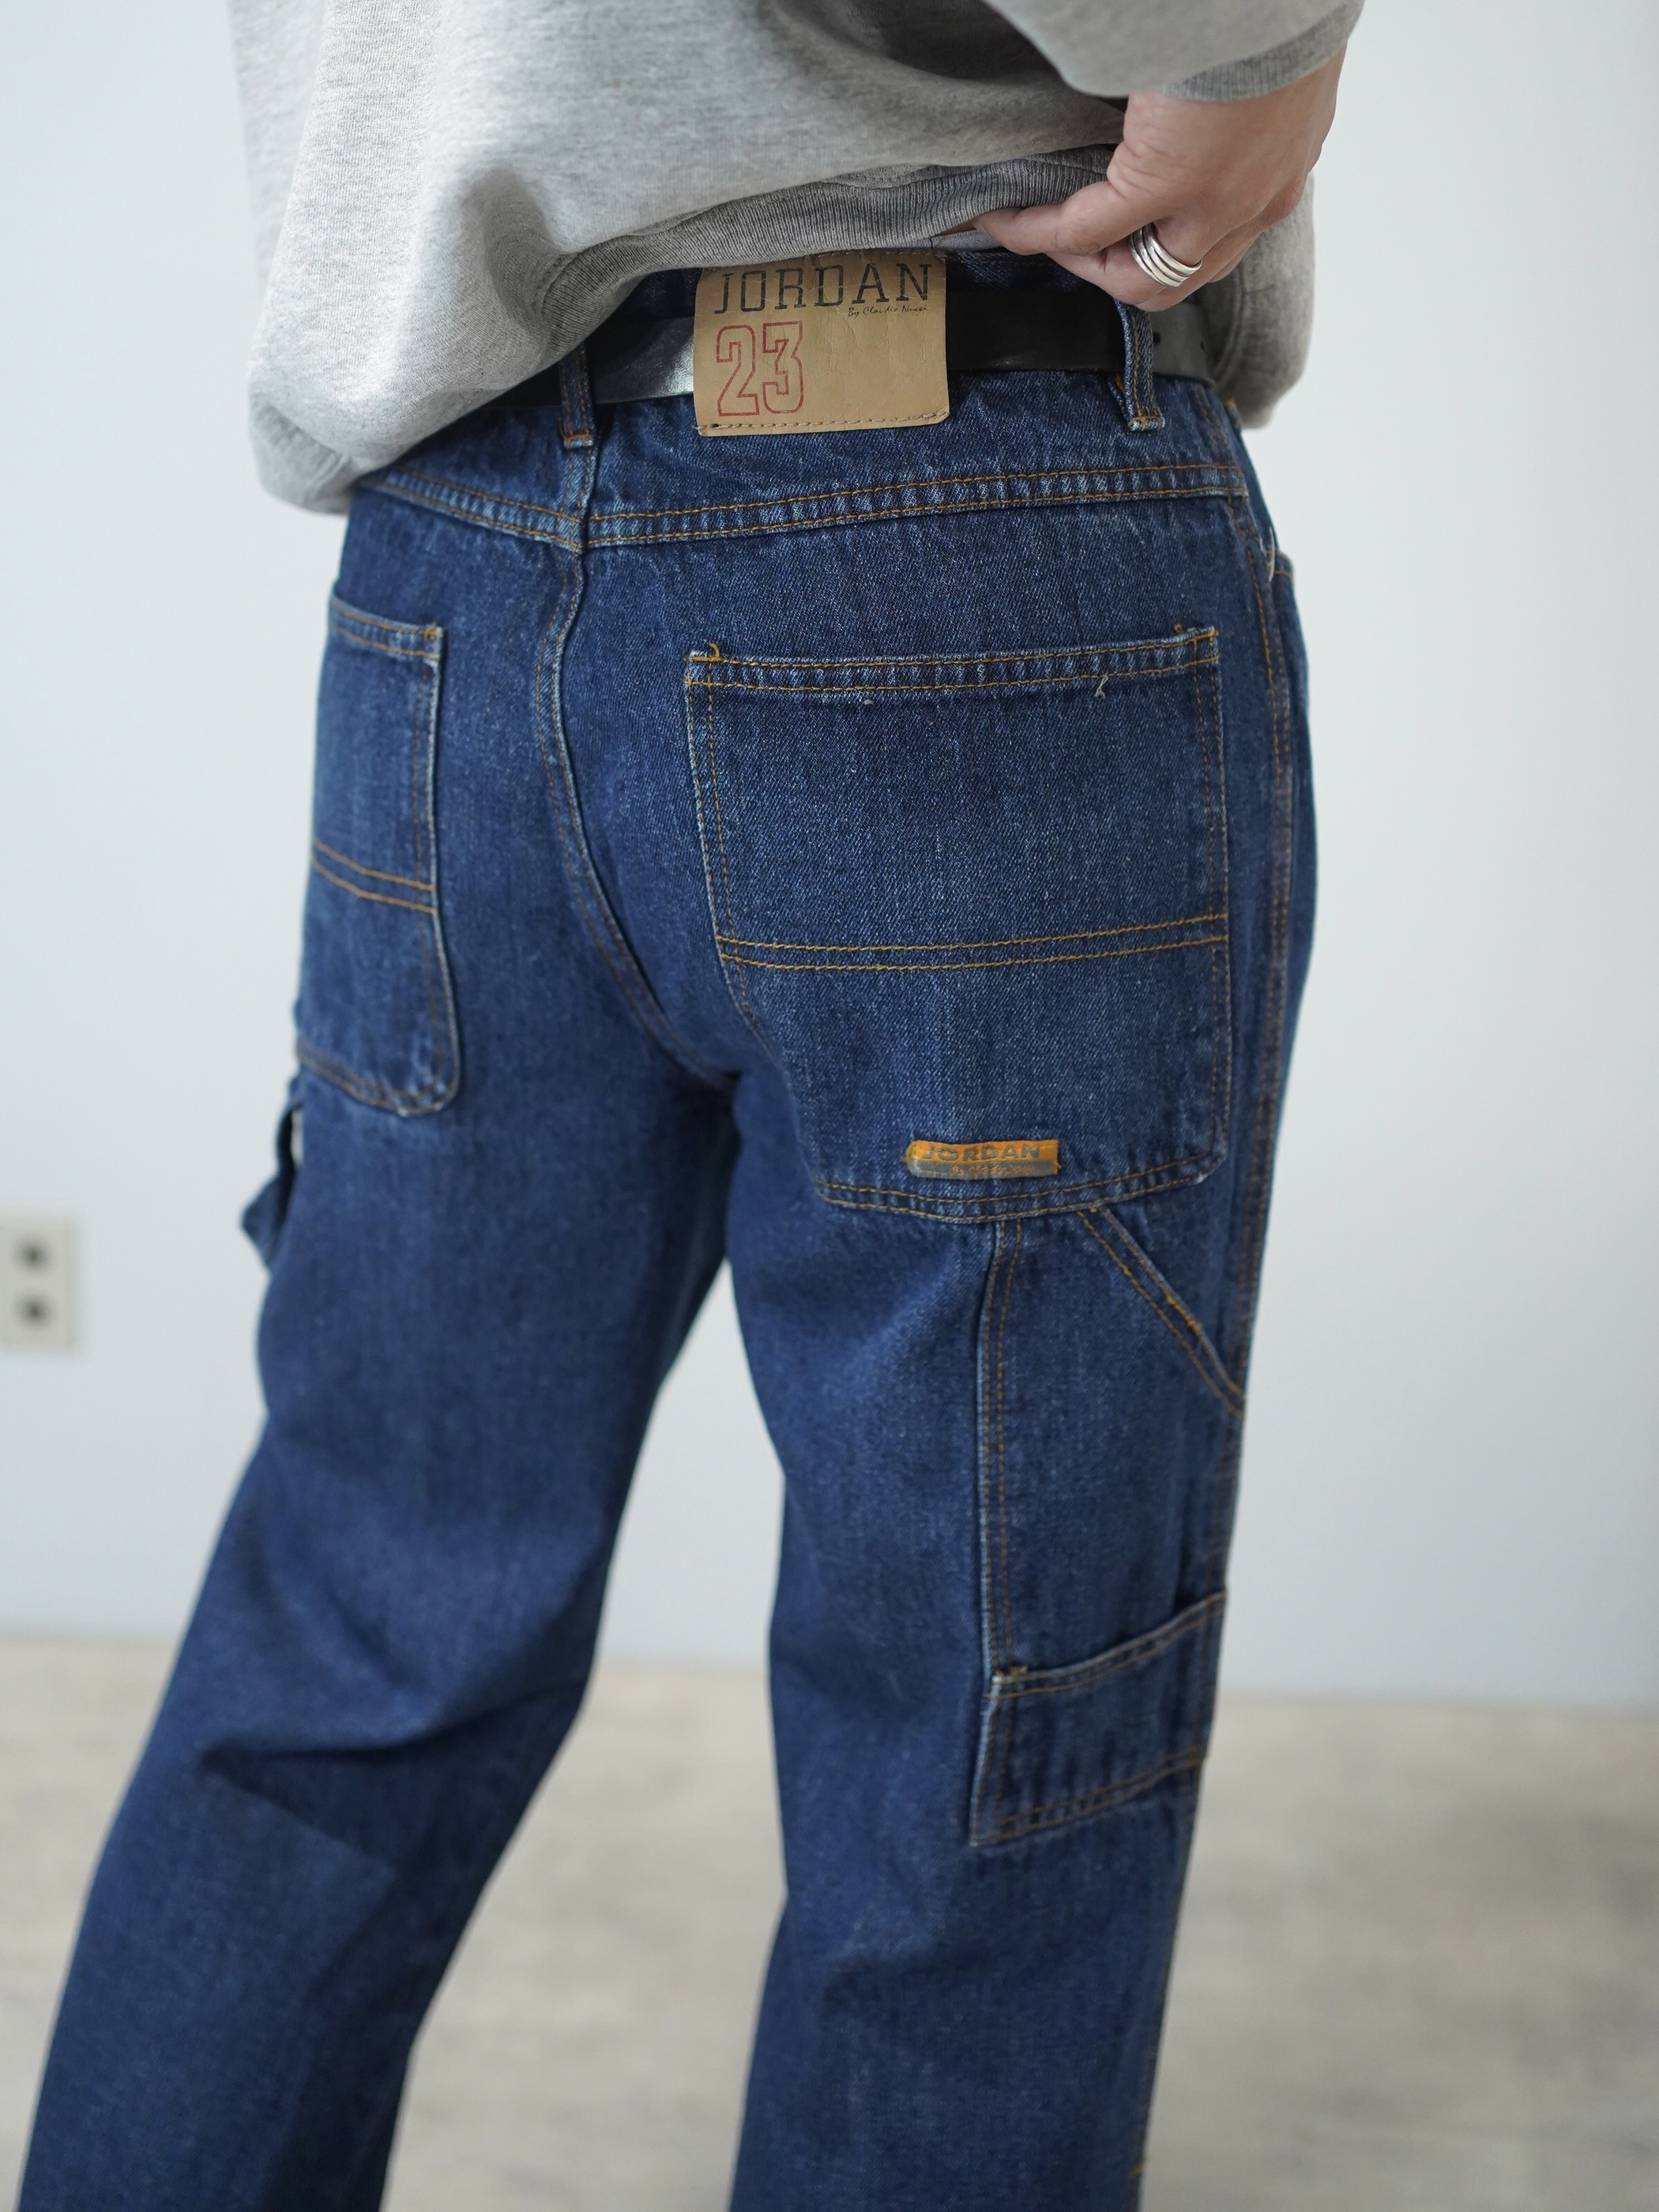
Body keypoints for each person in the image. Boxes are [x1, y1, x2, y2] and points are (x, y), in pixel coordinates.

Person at [21, 6, 1356, 2207]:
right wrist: (1251, 43)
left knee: (355, 1635)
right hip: (960, 555)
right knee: (981, 1727)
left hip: (454, 564)